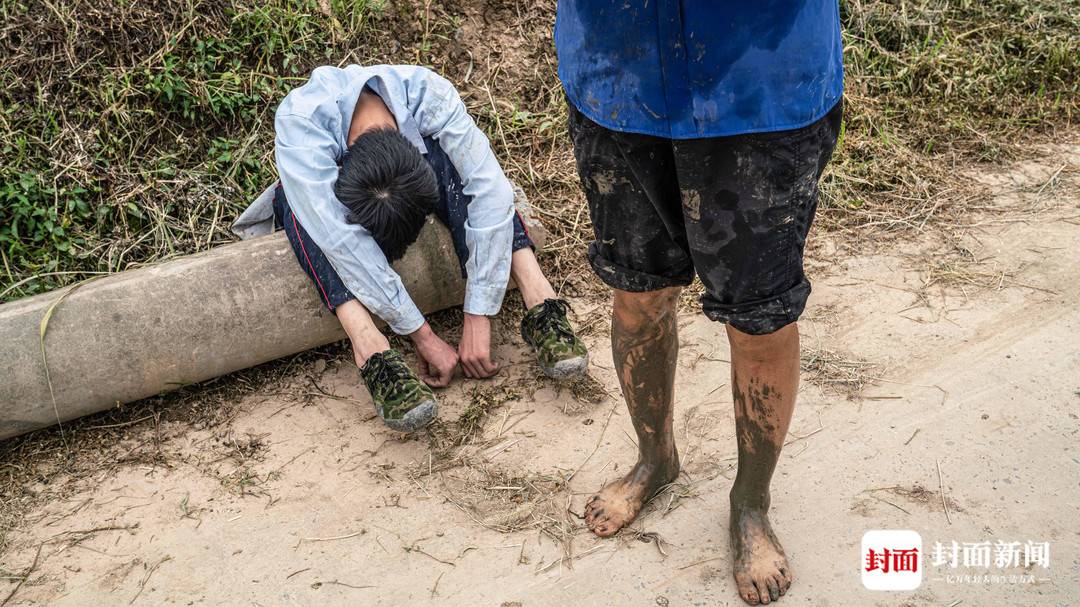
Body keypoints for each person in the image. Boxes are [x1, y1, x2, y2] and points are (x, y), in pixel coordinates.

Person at [554, 2, 843, 604]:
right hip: (617, 70)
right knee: (638, 291)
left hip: (760, 77)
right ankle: (655, 459)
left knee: (759, 318)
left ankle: (750, 502)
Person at [235, 64, 588, 433]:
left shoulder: (428, 95)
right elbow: (343, 241)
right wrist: (423, 335)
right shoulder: (300, 122)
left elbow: (490, 190)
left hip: (420, 160)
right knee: (296, 204)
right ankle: (371, 350)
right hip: (321, 200)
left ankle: (539, 296)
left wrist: (479, 314)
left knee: (467, 169)